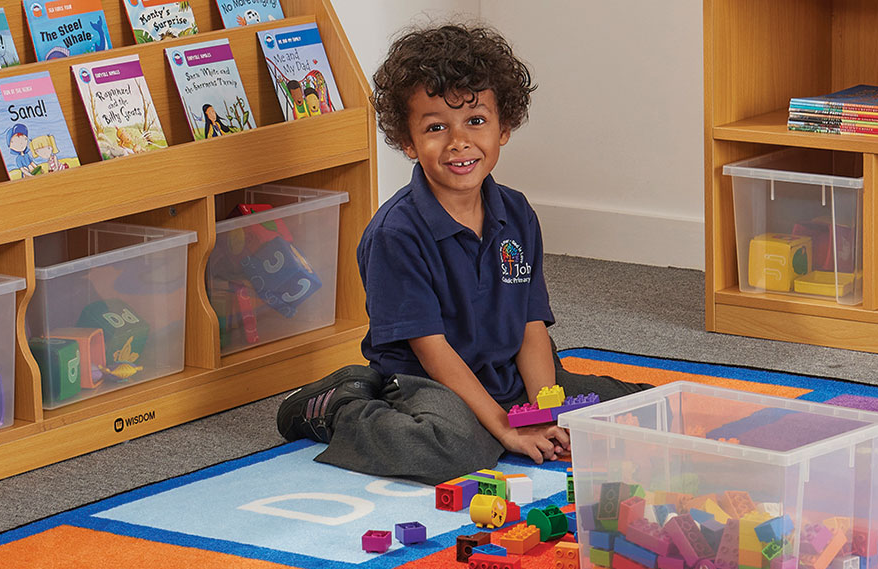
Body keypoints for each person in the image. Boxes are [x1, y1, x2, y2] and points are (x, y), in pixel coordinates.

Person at [274, 22, 646, 485]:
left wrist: (543, 413)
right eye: (436, 127)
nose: (458, 142)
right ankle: (341, 407)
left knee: (632, 411)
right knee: (458, 448)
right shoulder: (396, 234)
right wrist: (505, 427)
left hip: (507, 372)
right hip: (428, 381)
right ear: (408, 141)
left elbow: (530, 326)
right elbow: (432, 352)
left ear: (503, 127)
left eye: (476, 121)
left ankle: (509, 415)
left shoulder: (517, 212)